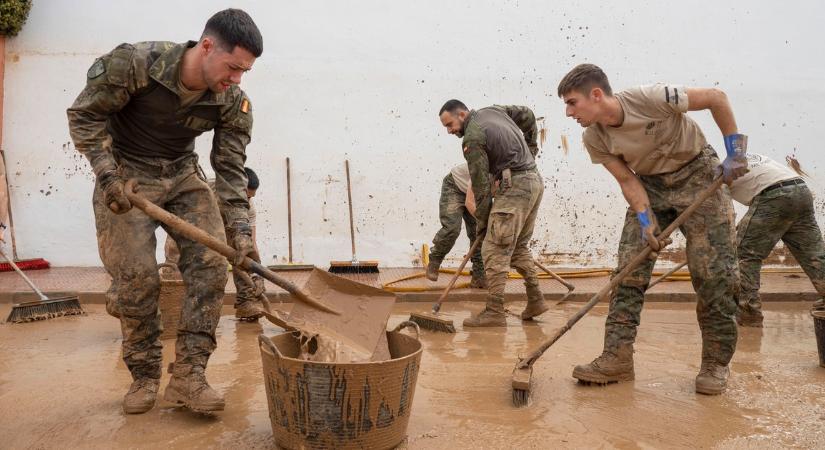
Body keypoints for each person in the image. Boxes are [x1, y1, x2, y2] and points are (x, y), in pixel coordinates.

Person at [66, 9, 263, 414]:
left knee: (210, 267)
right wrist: (106, 175)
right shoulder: (135, 63)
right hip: (126, 175)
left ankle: (189, 376)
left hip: (183, 174)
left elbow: (229, 170)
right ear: (207, 46)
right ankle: (144, 376)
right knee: (136, 278)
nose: (237, 78)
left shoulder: (232, 101)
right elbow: (85, 116)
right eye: (233, 67)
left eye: (244, 71)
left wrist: (240, 230)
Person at [557, 63, 747, 394]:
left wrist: (735, 153)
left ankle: (716, 363)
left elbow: (716, 98)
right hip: (650, 187)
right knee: (627, 272)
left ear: (596, 95)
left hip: (698, 172)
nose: (568, 112)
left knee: (714, 273)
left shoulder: (653, 97)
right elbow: (628, 181)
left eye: (572, 102)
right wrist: (646, 223)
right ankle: (616, 357)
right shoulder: (594, 138)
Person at [438, 99, 548, 327]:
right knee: (518, 247)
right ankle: (536, 299)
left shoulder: (472, 138)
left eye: (450, 125)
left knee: (493, 247)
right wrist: (531, 149)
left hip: (515, 186)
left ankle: (495, 311)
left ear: (461, 113)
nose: (449, 131)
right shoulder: (494, 111)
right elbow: (527, 113)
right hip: (533, 181)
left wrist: (483, 224)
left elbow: (480, 188)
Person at [731, 153, 825, 326]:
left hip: (773, 195)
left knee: (744, 253)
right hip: (800, 191)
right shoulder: (744, 159)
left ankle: (748, 313)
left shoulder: (714, 175)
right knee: (814, 253)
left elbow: (724, 213)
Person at [164, 167, 266, 321]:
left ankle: (245, 302)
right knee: (176, 251)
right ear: (234, 187)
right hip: (197, 219)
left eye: (251, 198)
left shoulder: (248, 208)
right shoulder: (204, 188)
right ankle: (172, 302)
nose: (248, 201)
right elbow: (179, 224)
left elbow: (251, 243)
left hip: (228, 225)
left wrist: (257, 273)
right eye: (246, 195)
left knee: (242, 250)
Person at [426, 163, 486, 289]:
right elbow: (469, 202)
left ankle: (479, 276)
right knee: (452, 228)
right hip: (455, 186)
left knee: (479, 234)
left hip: (477, 193)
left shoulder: (509, 178)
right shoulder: (485, 168)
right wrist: (484, 220)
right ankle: (435, 259)